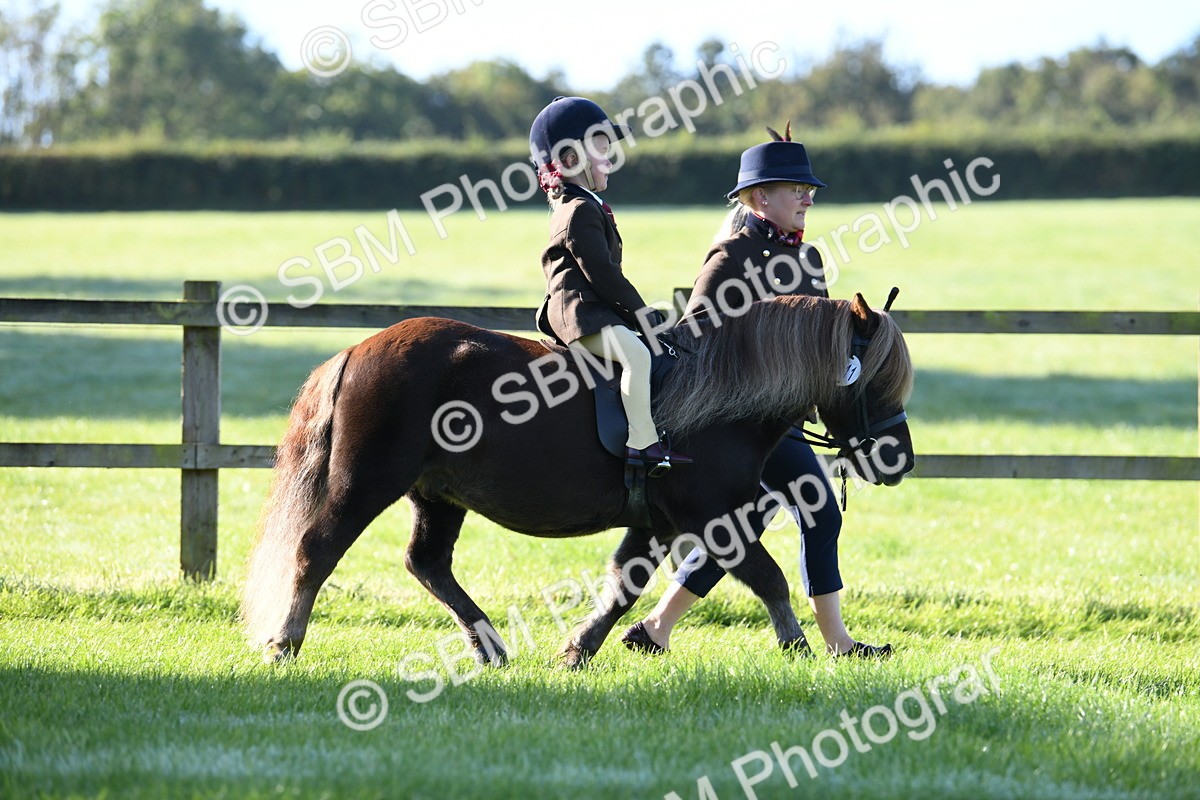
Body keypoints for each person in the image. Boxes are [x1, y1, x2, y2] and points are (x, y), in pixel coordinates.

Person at [619, 124, 892, 658]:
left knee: (745, 524)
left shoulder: (810, 262)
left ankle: (655, 629)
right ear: (760, 198)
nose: (807, 197)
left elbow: (820, 346)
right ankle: (836, 643)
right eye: (797, 188)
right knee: (812, 512)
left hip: (783, 422)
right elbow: (693, 337)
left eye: (809, 189)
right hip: (731, 425)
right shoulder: (730, 257)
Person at [530, 96, 689, 472]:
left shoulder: (584, 203)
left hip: (593, 310)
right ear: (571, 160)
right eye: (602, 149)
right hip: (581, 314)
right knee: (638, 355)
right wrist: (643, 316)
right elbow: (603, 275)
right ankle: (642, 443)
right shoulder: (580, 209)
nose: (610, 158)